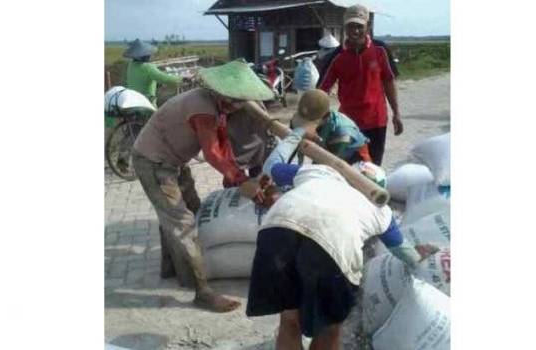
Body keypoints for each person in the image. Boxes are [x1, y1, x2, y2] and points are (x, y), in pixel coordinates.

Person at [244, 124, 438, 350]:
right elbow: (404, 252)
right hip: (330, 245)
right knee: (329, 328)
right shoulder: (380, 210)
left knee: (289, 320)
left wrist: (296, 133)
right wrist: (421, 256)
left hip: (277, 233)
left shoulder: (319, 172)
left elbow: (271, 167)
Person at [131, 60, 274, 312]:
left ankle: (170, 267)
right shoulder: (202, 108)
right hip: (154, 162)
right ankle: (203, 292)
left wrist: (237, 178)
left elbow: (223, 147)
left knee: (192, 209)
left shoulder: (217, 106)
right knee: (184, 223)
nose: (242, 105)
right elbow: (211, 153)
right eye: (240, 100)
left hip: (174, 160)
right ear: (228, 95)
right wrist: (241, 181)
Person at [318, 4, 403, 166]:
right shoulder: (337, 56)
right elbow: (321, 90)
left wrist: (396, 113)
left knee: (373, 168)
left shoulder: (380, 50)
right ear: (345, 27)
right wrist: (317, 121)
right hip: (348, 124)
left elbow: (389, 81)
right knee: (350, 169)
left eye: (359, 26)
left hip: (377, 121)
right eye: (351, 26)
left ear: (367, 26)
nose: (355, 31)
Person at [290, 89, 372, 164]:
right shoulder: (313, 117)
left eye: (308, 124)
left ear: (325, 117)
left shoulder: (342, 134)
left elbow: (327, 164)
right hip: (330, 146)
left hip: (353, 158)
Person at [123, 39, 183, 107]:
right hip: (147, 103)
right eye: (148, 55)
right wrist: (182, 79)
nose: (149, 56)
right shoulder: (148, 67)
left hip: (133, 102)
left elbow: (141, 80)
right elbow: (164, 78)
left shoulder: (131, 65)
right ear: (144, 56)